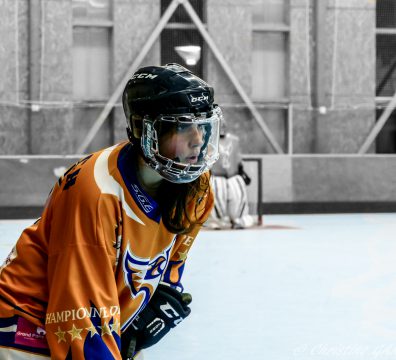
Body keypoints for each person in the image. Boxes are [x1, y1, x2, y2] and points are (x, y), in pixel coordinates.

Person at [0, 63, 221, 359]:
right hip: (27, 324)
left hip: (102, 317)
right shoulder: (95, 192)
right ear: (146, 129)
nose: (198, 139)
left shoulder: (197, 189)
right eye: (183, 125)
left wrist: (145, 311)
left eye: (203, 125)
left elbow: (170, 268)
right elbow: (78, 320)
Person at [205, 120, 255, 230]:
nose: (222, 127)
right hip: (216, 177)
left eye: (223, 125)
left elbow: (238, 158)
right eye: (219, 126)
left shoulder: (234, 140)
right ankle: (216, 220)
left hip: (233, 176)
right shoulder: (208, 140)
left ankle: (238, 219)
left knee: (238, 193)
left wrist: (242, 172)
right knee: (216, 194)